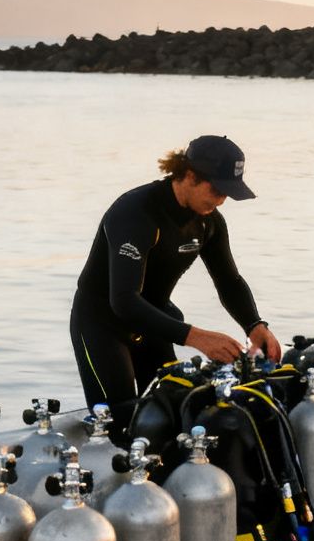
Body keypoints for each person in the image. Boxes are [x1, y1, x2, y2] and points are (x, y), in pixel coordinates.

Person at [70, 135, 282, 430]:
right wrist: (197, 337)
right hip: (103, 324)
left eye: (228, 193)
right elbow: (124, 300)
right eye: (217, 189)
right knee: (119, 422)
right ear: (190, 176)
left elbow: (229, 280)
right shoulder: (135, 213)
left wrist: (255, 325)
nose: (221, 200)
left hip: (154, 322)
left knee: (170, 413)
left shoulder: (209, 222)